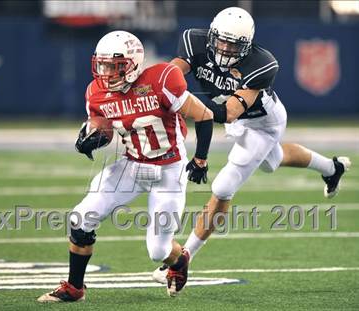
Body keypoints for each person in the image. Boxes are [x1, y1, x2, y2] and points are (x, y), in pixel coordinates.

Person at [153, 7, 351, 283]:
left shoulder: (261, 63)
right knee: (273, 160)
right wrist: (155, 87)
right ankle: (332, 168)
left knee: (223, 187)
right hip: (235, 119)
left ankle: (184, 258)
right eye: (221, 40)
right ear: (211, 35)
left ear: (246, 46)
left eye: (233, 44)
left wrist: (185, 105)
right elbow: (170, 76)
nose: (224, 48)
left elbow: (230, 111)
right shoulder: (193, 41)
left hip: (262, 122)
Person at [37, 30, 213, 302]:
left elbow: (204, 115)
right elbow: (103, 128)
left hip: (168, 170)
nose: (106, 73)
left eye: (115, 66)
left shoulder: (162, 78)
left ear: (133, 63)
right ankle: (74, 288)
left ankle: (179, 261)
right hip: (131, 166)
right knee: (81, 219)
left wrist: (200, 159)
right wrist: (90, 139)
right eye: (103, 65)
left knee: (158, 250)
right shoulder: (95, 93)